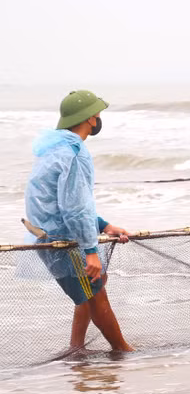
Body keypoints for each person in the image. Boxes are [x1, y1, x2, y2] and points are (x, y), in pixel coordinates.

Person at [24, 90, 133, 352]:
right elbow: (74, 207)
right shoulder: (73, 153)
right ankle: (123, 352)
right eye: (98, 115)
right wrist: (91, 251)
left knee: (92, 286)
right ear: (90, 120)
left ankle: (76, 349)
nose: (98, 120)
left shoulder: (55, 148)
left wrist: (104, 226)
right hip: (62, 240)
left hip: (48, 233)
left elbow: (62, 202)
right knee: (95, 290)